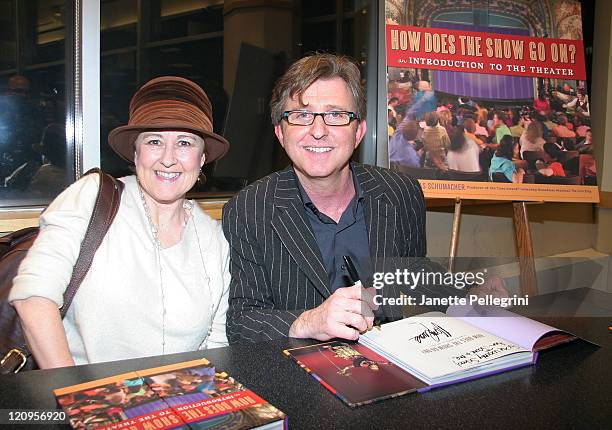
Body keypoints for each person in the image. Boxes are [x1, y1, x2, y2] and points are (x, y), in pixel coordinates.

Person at [222, 53, 504, 344]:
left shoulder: (400, 192)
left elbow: (411, 271)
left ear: (358, 132)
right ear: (281, 132)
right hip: (296, 378)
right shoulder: (248, 209)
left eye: (335, 115)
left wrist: (466, 294)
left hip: (394, 369)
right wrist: (308, 321)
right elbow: (243, 322)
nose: (318, 131)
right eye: (302, 115)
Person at [10, 77, 231, 368]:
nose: (168, 159)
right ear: (135, 152)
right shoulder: (91, 198)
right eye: (154, 141)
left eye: (184, 143)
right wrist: (76, 399)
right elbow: (33, 298)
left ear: (202, 159)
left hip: (179, 404)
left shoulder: (213, 237)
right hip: (89, 402)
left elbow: (215, 343)